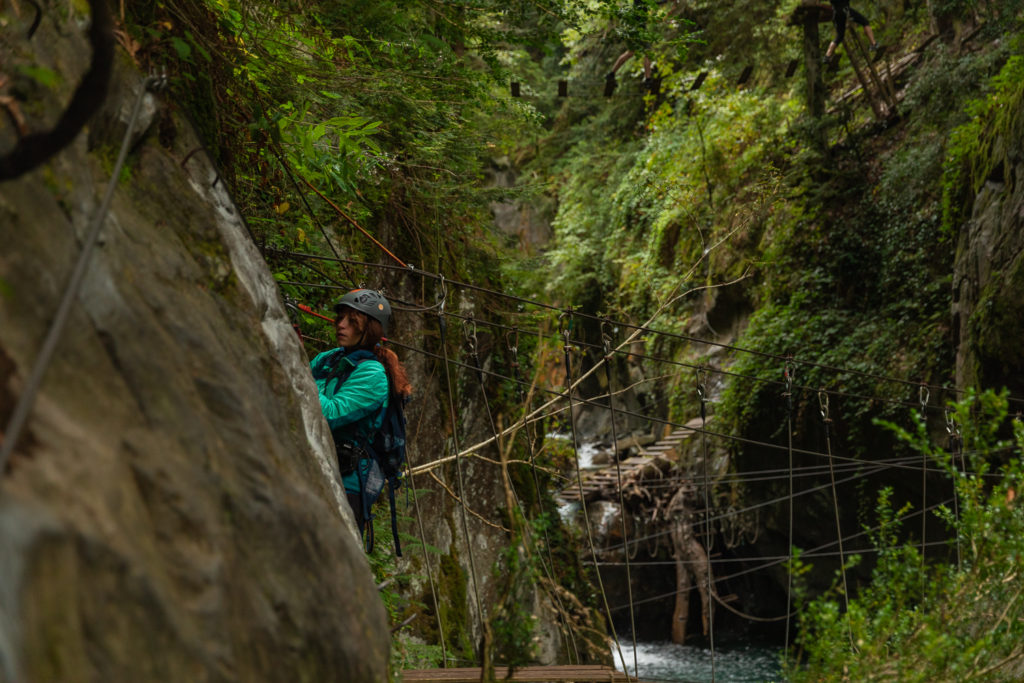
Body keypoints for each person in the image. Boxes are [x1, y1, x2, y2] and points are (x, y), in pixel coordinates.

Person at [310, 289, 412, 530]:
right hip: (318, 464)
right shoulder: (329, 359)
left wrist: (300, 377)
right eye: (340, 318)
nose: (341, 325)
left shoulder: (373, 374)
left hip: (348, 484)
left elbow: (329, 413)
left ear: (369, 330)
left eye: (351, 321)